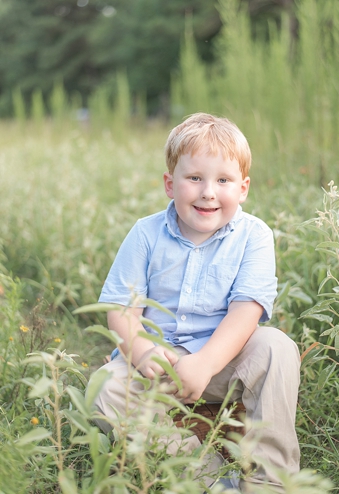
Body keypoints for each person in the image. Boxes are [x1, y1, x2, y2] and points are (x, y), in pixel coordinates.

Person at [89, 113, 301, 490]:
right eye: (195, 178)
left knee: (278, 348)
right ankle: (205, 474)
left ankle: (272, 480)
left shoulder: (254, 236)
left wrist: (205, 363)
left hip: (225, 359)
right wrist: (142, 352)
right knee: (104, 389)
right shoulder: (146, 233)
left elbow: (247, 310)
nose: (208, 192)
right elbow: (122, 309)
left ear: (243, 188)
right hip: (159, 363)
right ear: (171, 184)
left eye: (223, 180)